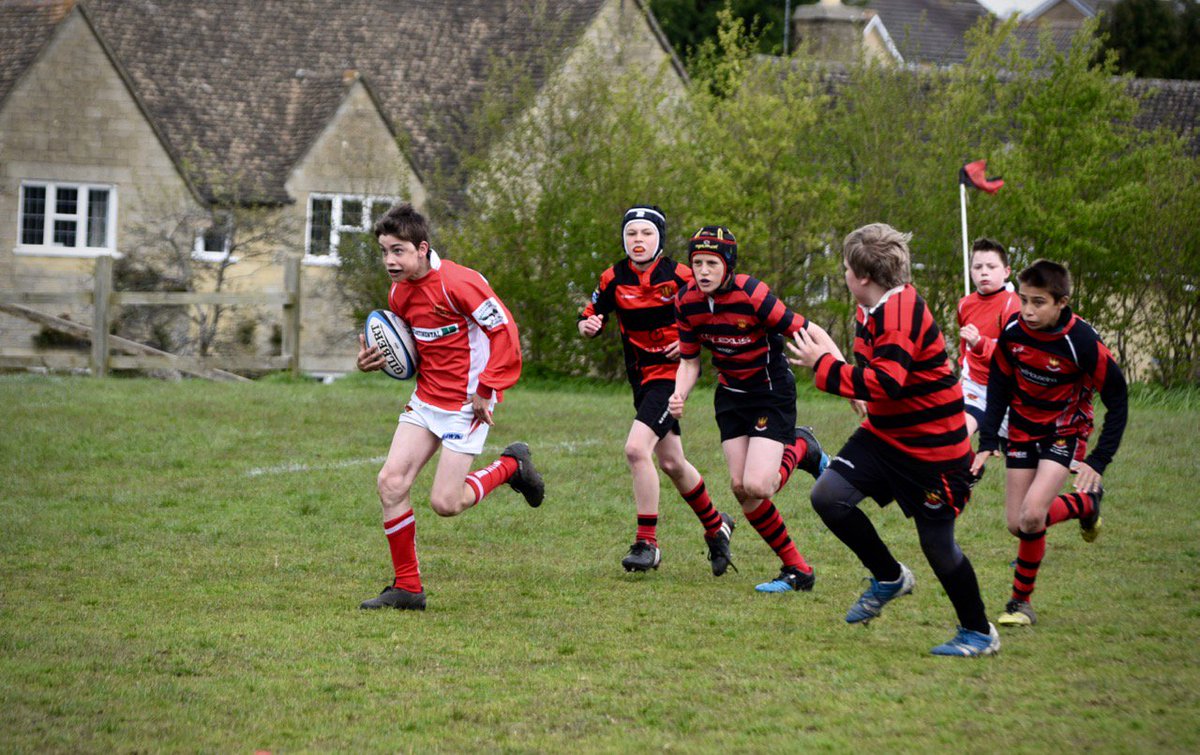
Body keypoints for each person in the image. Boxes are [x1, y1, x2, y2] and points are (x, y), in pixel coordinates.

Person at [788, 222, 999, 657]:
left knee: (937, 547)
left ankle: (979, 632)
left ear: (862, 276)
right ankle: (888, 576)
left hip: (934, 453)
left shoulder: (899, 313)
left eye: (846, 267)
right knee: (829, 496)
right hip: (887, 436)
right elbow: (882, 378)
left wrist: (823, 366)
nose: (844, 274)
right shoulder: (874, 305)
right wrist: (858, 389)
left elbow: (887, 381)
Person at [356, 202, 544, 611]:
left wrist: (487, 386)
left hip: (468, 404)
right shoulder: (399, 292)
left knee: (447, 502)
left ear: (422, 248)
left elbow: (505, 331)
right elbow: (412, 350)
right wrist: (378, 359)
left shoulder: (460, 283)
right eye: (385, 251)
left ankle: (512, 466)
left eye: (399, 251)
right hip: (426, 400)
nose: (390, 260)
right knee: (391, 483)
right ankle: (407, 588)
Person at [669, 225, 830, 594]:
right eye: (698, 263)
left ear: (727, 265)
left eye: (712, 262)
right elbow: (690, 362)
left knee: (760, 484)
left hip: (770, 393)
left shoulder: (752, 294)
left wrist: (842, 373)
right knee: (742, 490)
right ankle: (797, 570)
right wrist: (680, 394)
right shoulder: (686, 302)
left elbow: (807, 329)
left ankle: (803, 446)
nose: (704, 271)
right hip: (730, 397)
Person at [578, 205, 737, 575]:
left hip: (672, 376)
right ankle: (717, 528)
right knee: (671, 462)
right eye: (631, 233)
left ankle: (647, 543)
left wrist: (687, 343)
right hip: (641, 377)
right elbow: (591, 313)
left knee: (636, 450)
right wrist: (588, 325)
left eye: (646, 233)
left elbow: (712, 316)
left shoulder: (682, 276)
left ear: (660, 239)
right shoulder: (613, 278)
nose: (638, 240)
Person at [970, 259, 1127, 628]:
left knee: (1032, 516)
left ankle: (1019, 603)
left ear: (1062, 302)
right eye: (1024, 300)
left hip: (1064, 431)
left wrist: (1099, 460)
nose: (1028, 310)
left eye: (1038, 302)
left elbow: (1118, 399)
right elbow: (999, 383)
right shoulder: (1013, 331)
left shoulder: (1083, 342)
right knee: (1016, 524)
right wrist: (988, 438)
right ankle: (1086, 504)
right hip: (1023, 429)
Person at [957, 238, 1020, 439]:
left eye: (991, 266)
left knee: (1023, 459)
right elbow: (965, 346)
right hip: (973, 386)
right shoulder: (964, 304)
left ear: (1006, 271)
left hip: (1006, 390)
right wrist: (963, 368)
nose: (984, 272)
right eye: (978, 267)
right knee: (954, 436)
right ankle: (966, 469)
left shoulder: (1013, 305)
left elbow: (1013, 358)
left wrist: (980, 343)